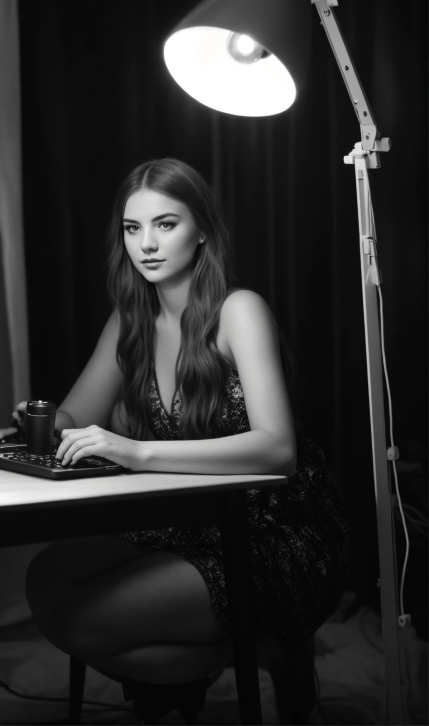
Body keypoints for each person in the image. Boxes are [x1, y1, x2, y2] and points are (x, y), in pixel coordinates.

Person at [21, 157, 349, 688]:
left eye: (165, 224)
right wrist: (35, 420)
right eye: (133, 228)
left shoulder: (238, 310)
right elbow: (74, 416)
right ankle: (234, 646)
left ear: (201, 232)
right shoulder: (132, 319)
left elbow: (278, 450)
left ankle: (256, 645)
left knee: (85, 621)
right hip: (188, 519)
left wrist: (134, 450)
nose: (146, 244)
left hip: (271, 529)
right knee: (46, 577)